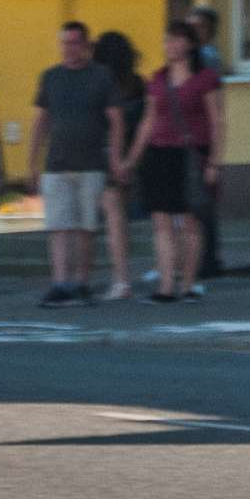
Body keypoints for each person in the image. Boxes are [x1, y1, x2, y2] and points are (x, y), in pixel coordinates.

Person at [130, 21, 223, 303]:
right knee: (161, 222)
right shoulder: (157, 78)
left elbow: (217, 121)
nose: (171, 45)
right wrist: (132, 158)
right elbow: (148, 120)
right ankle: (166, 286)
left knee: (191, 222)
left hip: (192, 154)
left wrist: (214, 162)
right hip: (159, 153)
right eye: (167, 40)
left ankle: (190, 283)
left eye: (177, 40)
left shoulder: (205, 79)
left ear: (190, 44)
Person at [31, 22, 117, 306]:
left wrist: (115, 155)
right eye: (64, 43)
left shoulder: (101, 76)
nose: (69, 49)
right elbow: (41, 120)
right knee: (59, 225)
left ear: (85, 45)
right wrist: (32, 161)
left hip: (91, 162)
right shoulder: (51, 77)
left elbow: (116, 120)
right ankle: (60, 281)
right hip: (57, 162)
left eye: (74, 42)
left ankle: (81, 282)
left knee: (86, 227)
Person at [91, 31, 144, 299]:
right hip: (133, 156)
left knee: (111, 217)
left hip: (106, 154)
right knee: (120, 217)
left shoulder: (102, 83)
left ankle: (121, 279)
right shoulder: (136, 84)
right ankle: (124, 276)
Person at [187, 5, 229, 277]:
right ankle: (201, 257)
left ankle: (207, 259)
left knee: (202, 201)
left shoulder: (207, 58)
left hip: (201, 134)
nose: (193, 31)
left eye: (199, 26)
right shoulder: (195, 57)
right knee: (197, 200)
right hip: (192, 132)